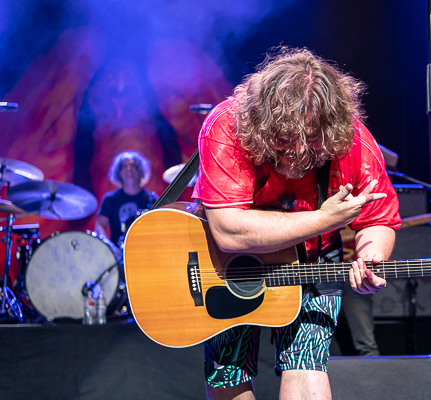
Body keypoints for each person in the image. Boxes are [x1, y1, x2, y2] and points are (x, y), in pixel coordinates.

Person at [192, 47, 401, 400]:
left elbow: (378, 218)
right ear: (261, 121)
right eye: (285, 140)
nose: (298, 151)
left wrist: (370, 257)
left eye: (312, 140)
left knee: (307, 361)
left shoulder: (354, 140)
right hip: (228, 266)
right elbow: (228, 230)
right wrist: (323, 218)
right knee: (228, 371)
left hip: (315, 260)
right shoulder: (227, 125)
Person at [95, 150, 157, 250]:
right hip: (117, 254)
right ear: (118, 172)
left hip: (145, 252)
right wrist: (109, 247)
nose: (129, 169)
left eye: (133, 165)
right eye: (124, 166)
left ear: (140, 170)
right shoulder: (110, 199)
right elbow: (100, 226)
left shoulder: (151, 199)